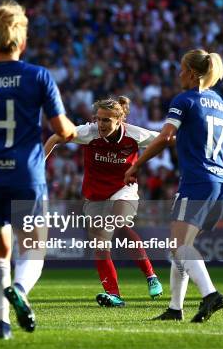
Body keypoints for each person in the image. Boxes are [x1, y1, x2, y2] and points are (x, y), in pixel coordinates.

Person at [0, 1, 76, 339]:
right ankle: (20, 288)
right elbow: (62, 129)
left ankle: (2, 324)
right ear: (22, 42)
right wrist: (71, 132)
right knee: (34, 247)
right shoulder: (38, 76)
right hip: (27, 175)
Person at [125, 49, 223, 322]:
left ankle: (210, 294)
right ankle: (175, 308)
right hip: (219, 184)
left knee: (178, 243)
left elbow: (165, 137)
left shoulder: (185, 100)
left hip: (197, 182)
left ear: (192, 73)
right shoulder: (221, 103)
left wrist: (137, 164)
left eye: (182, 69)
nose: (179, 74)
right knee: (180, 245)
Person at [44, 97, 163, 308]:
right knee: (100, 245)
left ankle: (150, 275)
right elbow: (54, 138)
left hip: (123, 190)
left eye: (106, 120)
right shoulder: (87, 133)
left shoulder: (135, 134)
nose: (101, 124)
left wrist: (210, 142)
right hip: (95, 196)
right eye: (98, 119)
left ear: (119, 120)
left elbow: (167, 138)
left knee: (119, 222)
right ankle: (114, 295)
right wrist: (38, 167)